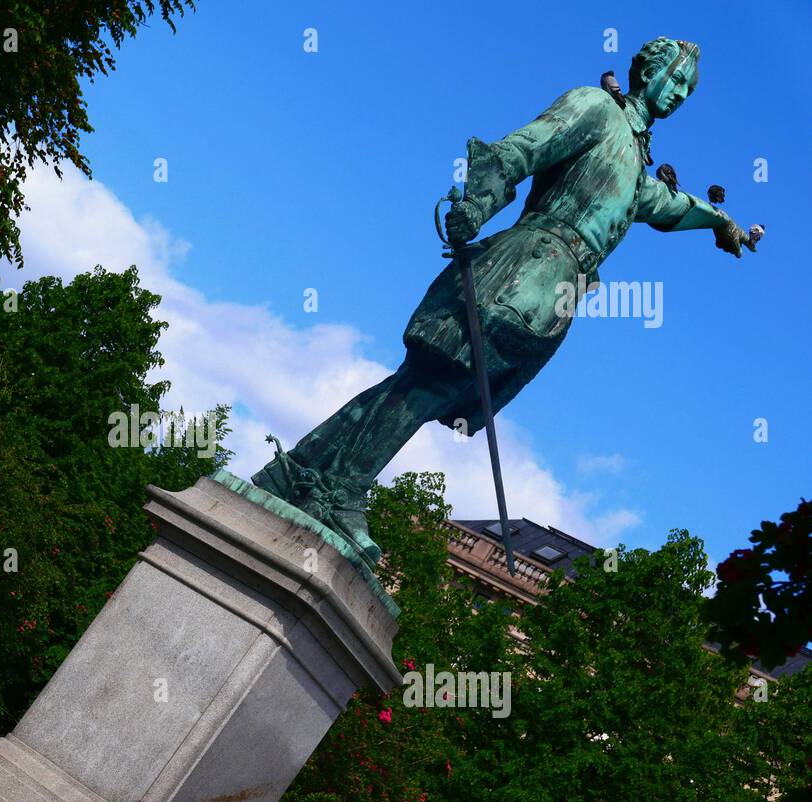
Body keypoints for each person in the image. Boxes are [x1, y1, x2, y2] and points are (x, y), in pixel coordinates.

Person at [250, 37, 756, 563]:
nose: (677, 93)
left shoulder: (634, 159)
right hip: (526, 266)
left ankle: (304, 472)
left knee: (434, 390)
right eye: (673, 78)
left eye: (687, 90)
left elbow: (669, 205)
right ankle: (341, 492)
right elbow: (524, 148)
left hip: (555, 295)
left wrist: (721, 222)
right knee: (432, 381)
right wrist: (479, 202)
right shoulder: (596, 108)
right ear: (645, 70)